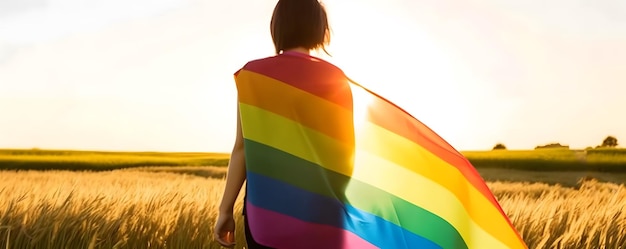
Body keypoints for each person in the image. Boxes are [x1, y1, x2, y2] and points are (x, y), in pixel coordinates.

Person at [214, 0, 355, 248]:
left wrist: (225, 211)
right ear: (320, 28)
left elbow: (242, 148)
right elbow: (346, 155)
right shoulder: (335, 78)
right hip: (324, 217)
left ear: (276, 27)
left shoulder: (252, 76)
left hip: (265, 219)